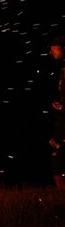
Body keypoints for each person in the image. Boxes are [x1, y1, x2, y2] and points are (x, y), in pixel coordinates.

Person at [49, 34, 65, 190]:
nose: (50, 52)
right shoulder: (62, 69)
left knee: (58, 160)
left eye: (53, 49)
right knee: (57, 160)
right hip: (61, 122)